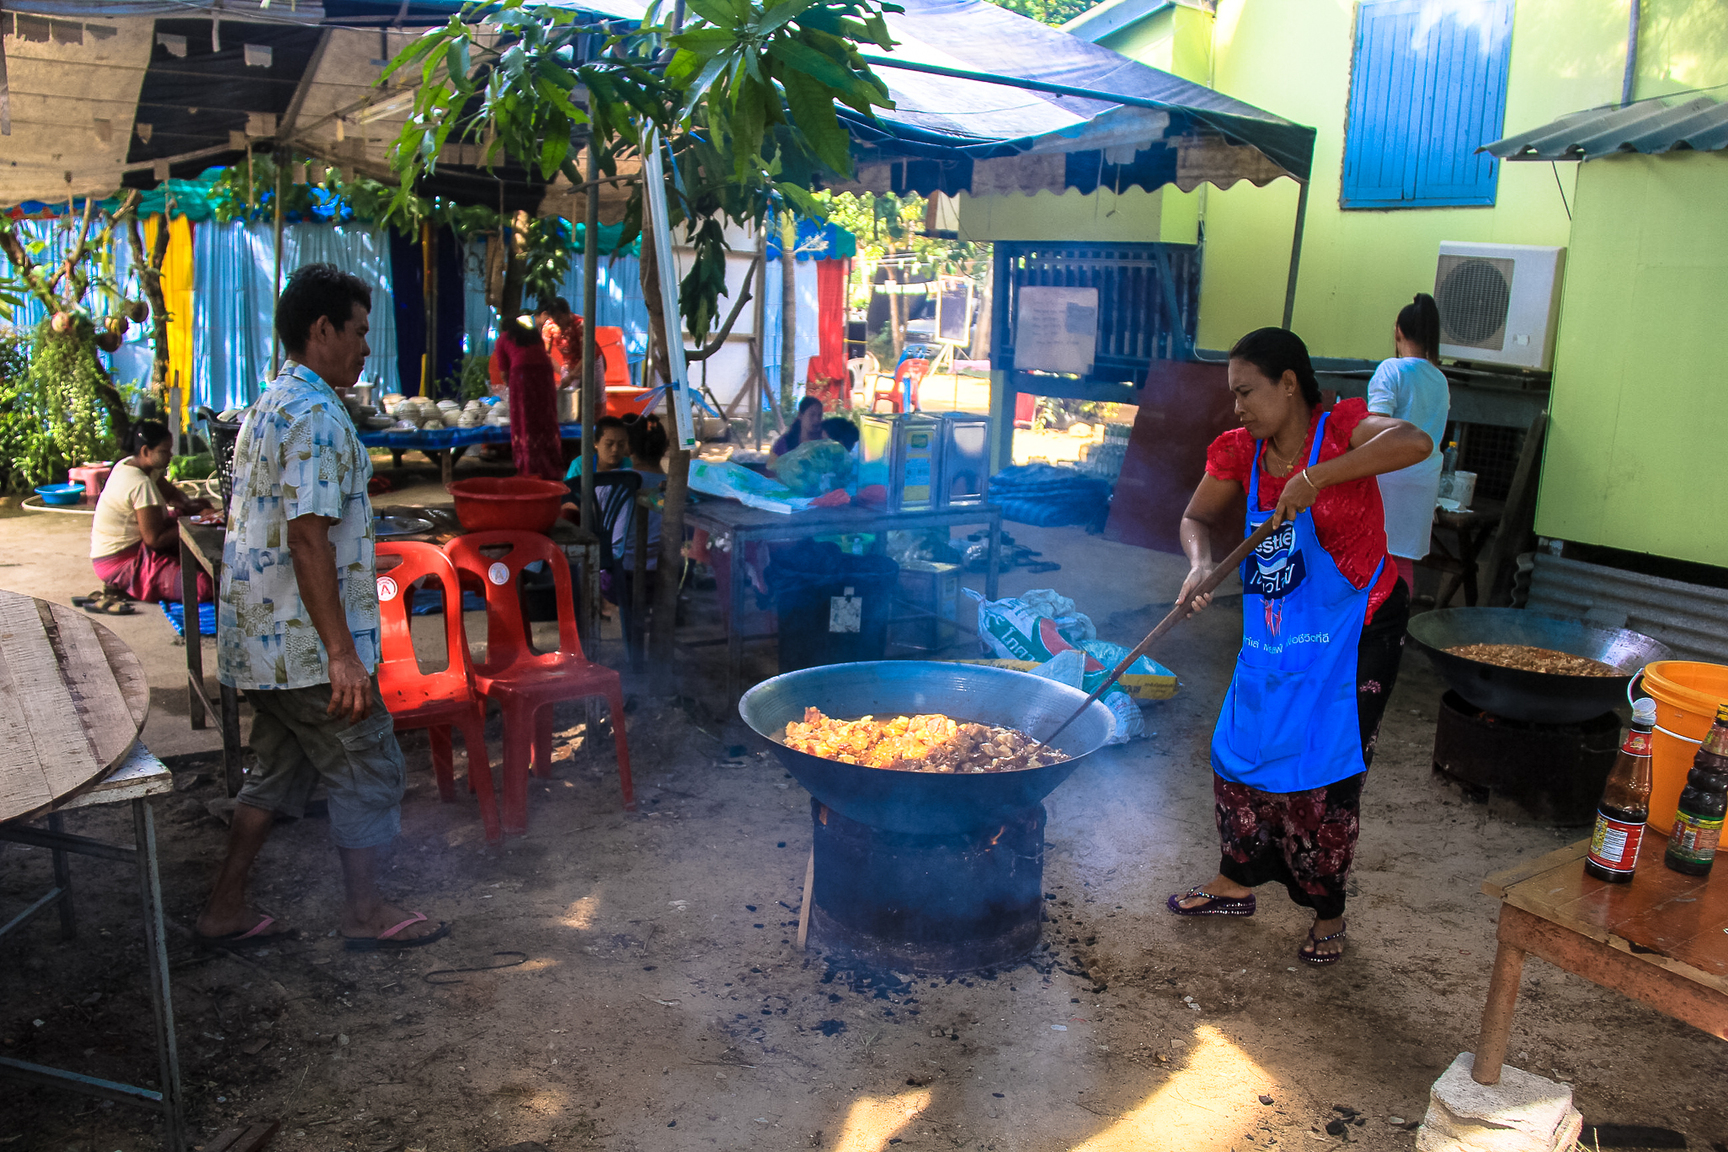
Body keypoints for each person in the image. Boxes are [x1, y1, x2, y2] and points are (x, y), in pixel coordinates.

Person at [196, 262, 447, 952]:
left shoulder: (270, 404)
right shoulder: (317, 417)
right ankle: (365, 913)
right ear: (322, 329)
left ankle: (225, 907)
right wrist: (342, 653)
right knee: (369, 766)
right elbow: (308, 538)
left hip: (263, 647)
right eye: (359, 332)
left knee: (275, 774)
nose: (366, 348)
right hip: (307, 649)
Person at [1167, 327, 1431, 965]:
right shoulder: (1240, 451)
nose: (1239, 408)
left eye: (1248, 392)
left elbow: (1415, 442)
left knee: (1325, 769)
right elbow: (1196, 519)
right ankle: (1236, 880)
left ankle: (1328, 915)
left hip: (1357, 629)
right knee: (1239, 752)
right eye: (1233, 396)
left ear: (1290, 384)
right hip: (1279, 629)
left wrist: (1318, 475)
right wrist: (1200, 565)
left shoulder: (1343, 427)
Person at [1367, 293, 1450, 591]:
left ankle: (1372, 626)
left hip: (1388, 479)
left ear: (1398, 331)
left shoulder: (1391, 369)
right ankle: (1399, 624)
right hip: (1423, 482)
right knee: (1402, 560)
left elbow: (1376, 425)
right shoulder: (1439, 379)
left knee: (1374, 554)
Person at [86, 420, 213, 610]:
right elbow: (155, 539)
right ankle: (125, 583)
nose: (171, 456)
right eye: (165, 451)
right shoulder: (139, 483)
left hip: (130, 547)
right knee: (205, 586)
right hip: (122, 560)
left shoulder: (130, 465)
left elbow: (171, 494)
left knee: (201, 505)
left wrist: (191, 506)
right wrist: (198, 521)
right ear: (146, 451)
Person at [490, 316, 563, 481]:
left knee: (524, 420)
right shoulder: (534, 337)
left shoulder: (503, 339)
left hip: (521, 374)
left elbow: (504, 373)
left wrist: (511, 389)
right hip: (544, 374)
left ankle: (529, 468)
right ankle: (551, 466)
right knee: (546, 418)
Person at [538, 296, 581, 390]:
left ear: (568, 313)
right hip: (568, 365)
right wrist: (561, 371)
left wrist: (572, 376)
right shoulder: (550, 326)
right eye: (555, 320)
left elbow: (588, 355)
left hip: (590, 363)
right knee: (568, 396)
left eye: (560, 318)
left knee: (595, 397)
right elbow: (545, 354)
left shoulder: (579, 324)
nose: (558, 323)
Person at [769, 396, 826, 461]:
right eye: (812, 415)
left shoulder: (823, 444)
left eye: (819, 415)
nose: (816, 419)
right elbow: (772, 467)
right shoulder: (784, 443)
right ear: (801, 415)